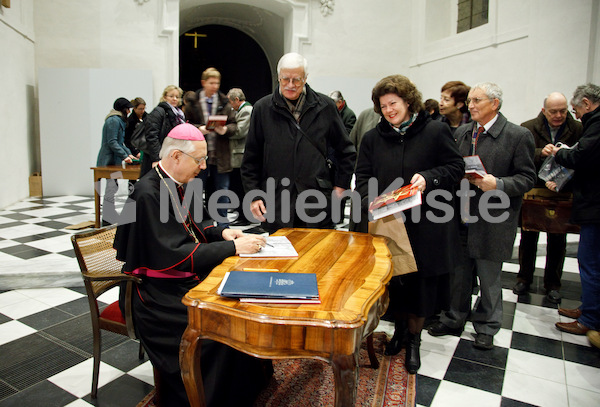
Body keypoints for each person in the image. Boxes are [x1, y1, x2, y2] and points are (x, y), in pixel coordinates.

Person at [114, 123, 270, 407]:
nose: (203, 166)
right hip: (157, 299)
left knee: (243, 309)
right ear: (175, 156)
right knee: (221, 329)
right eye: (199, 160)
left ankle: (246, 389)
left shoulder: (176, 185)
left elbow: (191, 230)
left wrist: (222, 233)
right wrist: (234, 247)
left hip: (178, 283)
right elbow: (175, 253)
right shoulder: (148, 193)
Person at [355, 75, 464, 373]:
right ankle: (400, 332)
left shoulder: (435, 131)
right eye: (383, 105)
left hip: (427, 224)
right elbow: (362, 177)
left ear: (407, 102)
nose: (389, 110)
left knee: (421, 285)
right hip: (389, 223)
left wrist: (429, 178)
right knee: (396, 283)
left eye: (394, 103)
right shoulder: (372, 138)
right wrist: (371, 201)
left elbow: (456, 167)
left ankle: (414, 340)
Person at [428, 82, 536, 350]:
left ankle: (487, 325)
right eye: (470, 101)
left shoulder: (517, 135)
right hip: (461, 212)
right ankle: (454, 317)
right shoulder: (463, 132)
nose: (471, 105)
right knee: (459, 272)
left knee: (489, 277)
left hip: (493, 217)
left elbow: (527, 177)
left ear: (495, 104)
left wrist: (497, 183)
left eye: (477, 100)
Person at [241, 52, 356, 232]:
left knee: (317, 254)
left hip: (316, 199)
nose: (291, 85)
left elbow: (346, 151)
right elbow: (251, 157)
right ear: (278, 77)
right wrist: (253, 195)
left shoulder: (325, 106)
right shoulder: (263, 108)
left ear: (306, 78)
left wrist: (341, 185)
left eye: (297, 80)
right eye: (285, 79)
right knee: (280, 256)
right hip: (277, 199)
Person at [513, 92, 583, 303]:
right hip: (534, 190)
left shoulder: (577, 128)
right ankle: (524, 278)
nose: (559, 115)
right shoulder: (528, 127)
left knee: (558, 239)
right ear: (544, 111)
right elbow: (521, 157)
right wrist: (539, 153)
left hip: (562, 191)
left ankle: (553, 283)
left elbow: (582, 158)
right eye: (554, 111)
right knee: (528, 237)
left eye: (563, 111)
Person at [551, 83, 600, 336]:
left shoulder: (596, 124)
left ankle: (591, 318)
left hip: (595, 205)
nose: (575, 115)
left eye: (575, 109)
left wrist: (559, 153)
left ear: (587, 104)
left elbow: (579, 156)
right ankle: (589, 309)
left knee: (590, 262)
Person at [195, 67, 238, 227]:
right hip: (198, 155)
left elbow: (234, 124)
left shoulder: (224, 101)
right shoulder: (194, 100)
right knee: (196, 191)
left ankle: (222, 225)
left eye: (217, 83)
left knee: (222, 191)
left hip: (220, 154)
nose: (215, 86)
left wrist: (225, 129)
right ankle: (198, 225)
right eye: (211, 82)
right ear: (204, 82)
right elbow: (184, 123)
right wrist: (200, 129)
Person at [97, 97, 137, 225]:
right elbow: (112, 142)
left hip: (114, 160)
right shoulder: (113, 120)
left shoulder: (118, 120)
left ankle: (110, 214)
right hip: (108, 160)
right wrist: (124, 156)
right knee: (111, 187)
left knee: (113, 186)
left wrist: (129, 154)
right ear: (123, 109)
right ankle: (107, 218)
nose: (129, 112)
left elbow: (120, 143)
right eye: (128, 109)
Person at [140, 85, 186, 177]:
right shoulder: (158, 111)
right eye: (171, 96)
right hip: (158, 156)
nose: (174, 99)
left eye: (177, 97)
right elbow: (151, 136)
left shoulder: (178, 114)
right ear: (165, 97)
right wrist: (156, 158)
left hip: (170, 155)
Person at [227, 88, 254, 226]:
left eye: (230, 102)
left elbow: (240, 131)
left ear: (236, 100)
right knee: (237, 187)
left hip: (241, 154)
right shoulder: (241, 110)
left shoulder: (247, 111)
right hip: (238, 153)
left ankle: (245, 217)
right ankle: (241, 215)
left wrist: (225, 129)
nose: (230, 105)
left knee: (241, 187)